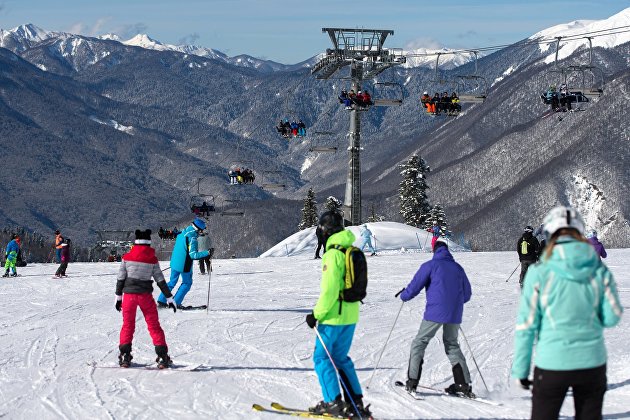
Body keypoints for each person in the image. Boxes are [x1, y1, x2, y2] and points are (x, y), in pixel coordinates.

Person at [511, 206, 622, 420]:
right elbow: (612, 316)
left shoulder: (538, 272)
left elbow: (526, 325)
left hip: (552, 363)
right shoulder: (598, 270)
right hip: (592, 363)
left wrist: (520, 370)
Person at [306, 211, 372, 418]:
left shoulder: (333, 254)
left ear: (326, 231)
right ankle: (355, 403)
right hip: (351, 314)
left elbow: (330, 290)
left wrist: (316, 314)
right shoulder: (350, 249)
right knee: (341, 358)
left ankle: (332, 401)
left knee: (322, 358)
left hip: (333, 315)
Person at [400, 237, 473, 396]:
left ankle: (412, 381)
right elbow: (467, 294)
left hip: (435, 312)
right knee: (452, 344)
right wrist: (454, 303)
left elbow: (414, 287)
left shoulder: (430, 265)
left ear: (434, 251)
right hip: (455, 312)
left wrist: (404, 296)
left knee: (420, 342)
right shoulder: (458, 268)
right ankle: (463, 384)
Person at [116, 229, 177, 368]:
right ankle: (162, 357)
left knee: (127, 325)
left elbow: (120, 278)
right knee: (154, 326)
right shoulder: (152, 259)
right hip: (145, 297)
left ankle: (125, 356)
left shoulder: (126, 257)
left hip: (129, 296)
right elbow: (160, 280)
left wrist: (118, 296)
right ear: (148, 242)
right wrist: (169, 297)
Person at [157, 218, 210, 309]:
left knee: (172, 282)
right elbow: (193, 255)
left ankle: (161, 300)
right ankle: (176, 303)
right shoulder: (192, 238)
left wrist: (166, 233)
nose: (202, 232)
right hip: (184, 265)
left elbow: (174, 233)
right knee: (187, 283)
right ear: (198, 229)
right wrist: (207, 253)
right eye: (202, 230)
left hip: (174, 262)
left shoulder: (183, 232)